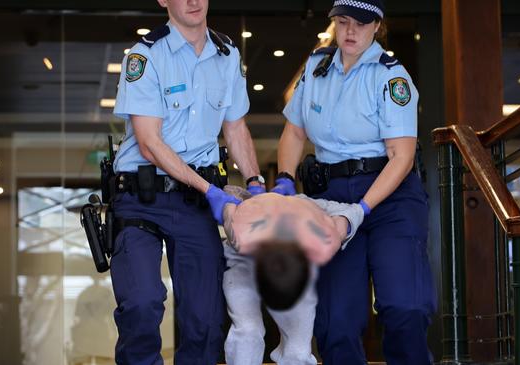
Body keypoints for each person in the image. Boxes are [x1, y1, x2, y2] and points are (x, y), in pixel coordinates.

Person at [273, 0, 437, 364]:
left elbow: (402, 157)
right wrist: (285, 180)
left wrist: (360, 211)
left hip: (388, 198)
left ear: (377, 25)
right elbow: (295, 133)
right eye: (343, 22)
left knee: (404, 308)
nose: (350, 31)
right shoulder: (316, 69)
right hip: (329, 198)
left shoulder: (391, 77)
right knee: (336, 323)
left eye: (361, 24)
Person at [110, 0, 266, 363]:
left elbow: (235, 127)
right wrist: (210, 189)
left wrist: (256, 183)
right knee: (142, 302)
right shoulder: (145, 56)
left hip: (194, 204)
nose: (194, 2)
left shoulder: (226, 55)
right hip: (140, 196)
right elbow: (149, 143)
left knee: (205, 318)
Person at [219, 187, 364, 365]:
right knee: (248, 330)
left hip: (295, 252)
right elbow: (229, 195)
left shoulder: (317, 223)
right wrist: (232, 205)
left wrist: (346, 221)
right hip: (242, 262)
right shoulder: (242, 228)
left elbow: (355, 209)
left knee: (299, 351)